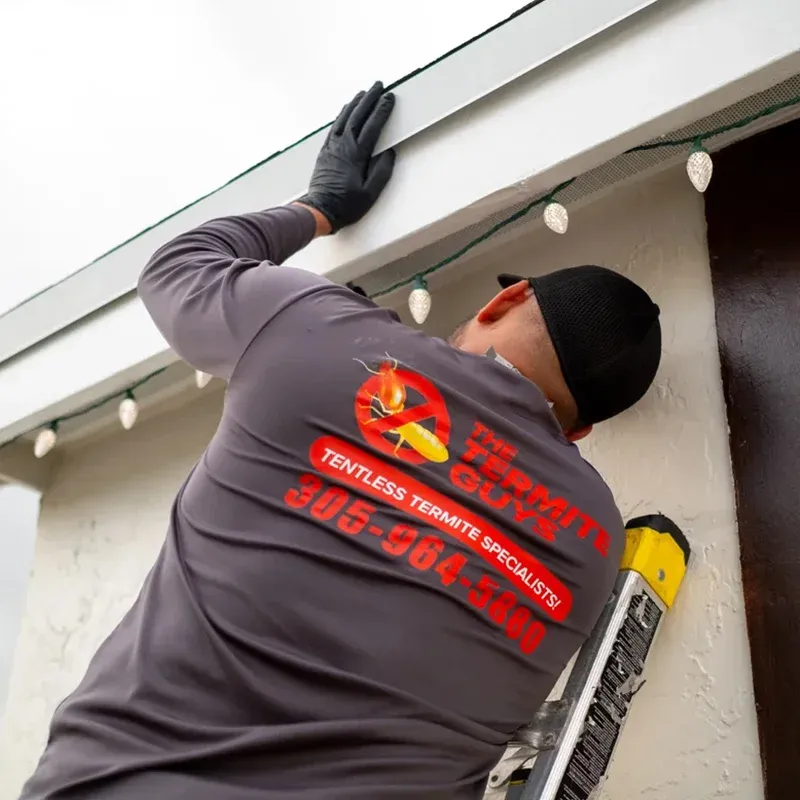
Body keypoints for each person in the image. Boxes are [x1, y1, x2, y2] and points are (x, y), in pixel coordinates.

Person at [20, 82, 661, 800]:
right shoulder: (594, 542)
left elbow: (178, 267)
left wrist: (319, 208)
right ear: (578, 429)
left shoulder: (321, 332)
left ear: (505, 299)